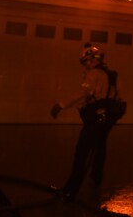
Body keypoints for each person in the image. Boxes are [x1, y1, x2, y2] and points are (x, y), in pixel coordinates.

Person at [50, 43, 126, 199]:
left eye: (86, 62)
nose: (85, 66)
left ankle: (70, 190)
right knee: (100, 146)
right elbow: (119, 96)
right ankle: (96, 177)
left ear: (91, 60)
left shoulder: (93, 75)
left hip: (95, 120)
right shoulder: (114, 75)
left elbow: (82, 92)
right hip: (108, 119)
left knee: (82, 152)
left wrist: (61, 105)